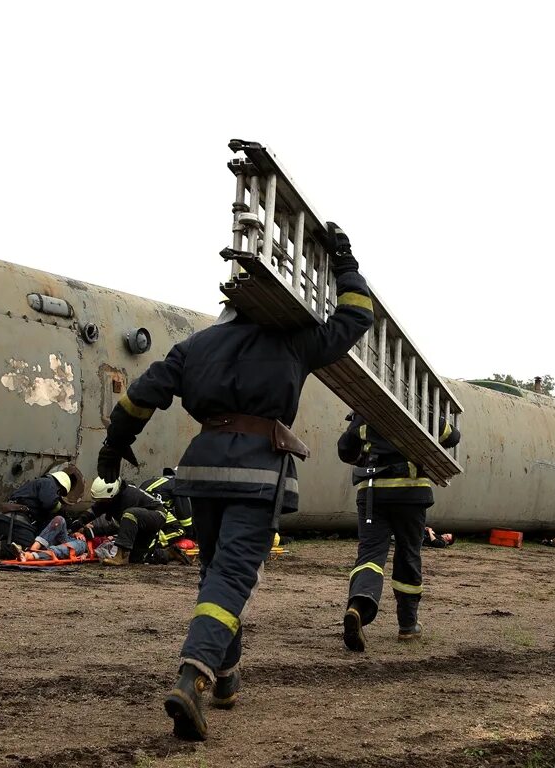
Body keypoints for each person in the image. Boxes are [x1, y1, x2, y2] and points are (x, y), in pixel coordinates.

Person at [93, 222, 373, 741]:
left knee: (215, 575)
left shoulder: (195, 346)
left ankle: (225, 676)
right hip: (257, 472)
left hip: (201, 473)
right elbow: (358, 315)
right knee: (232, 579)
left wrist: (113, 446)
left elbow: (140, 395)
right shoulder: (295, 343)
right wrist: (345, 262)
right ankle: (193, 676)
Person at [337, 410, 461, 653]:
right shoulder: (419, 411)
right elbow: (452, 436)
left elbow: (345, 450)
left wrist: (367, 450)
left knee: (370, 554)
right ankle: (407, 624)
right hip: (411, 494)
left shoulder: (366, 411)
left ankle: (358, 609)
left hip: (372, 494)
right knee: (408, 554)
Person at [70, 476, 168, 565]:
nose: (101, 502)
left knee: (129, 514)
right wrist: (79, 522)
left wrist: (94, 531)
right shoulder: (112, 498)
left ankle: (119, 556)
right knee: (136, 560)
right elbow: (95, 510)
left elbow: (119, 526)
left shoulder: (128, 498)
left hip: (157, 515)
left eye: (103, 500)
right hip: (139, 520)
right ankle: (170, 553)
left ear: (111, 494)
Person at [0, 469, 76, 557]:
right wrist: (60, 508)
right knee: (29, 549)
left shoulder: (35, 484)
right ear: (60, 488)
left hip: (7, 518)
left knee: (17, 544)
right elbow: (49, 503)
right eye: (60, 493)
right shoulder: (48, 483)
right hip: (17, 520)